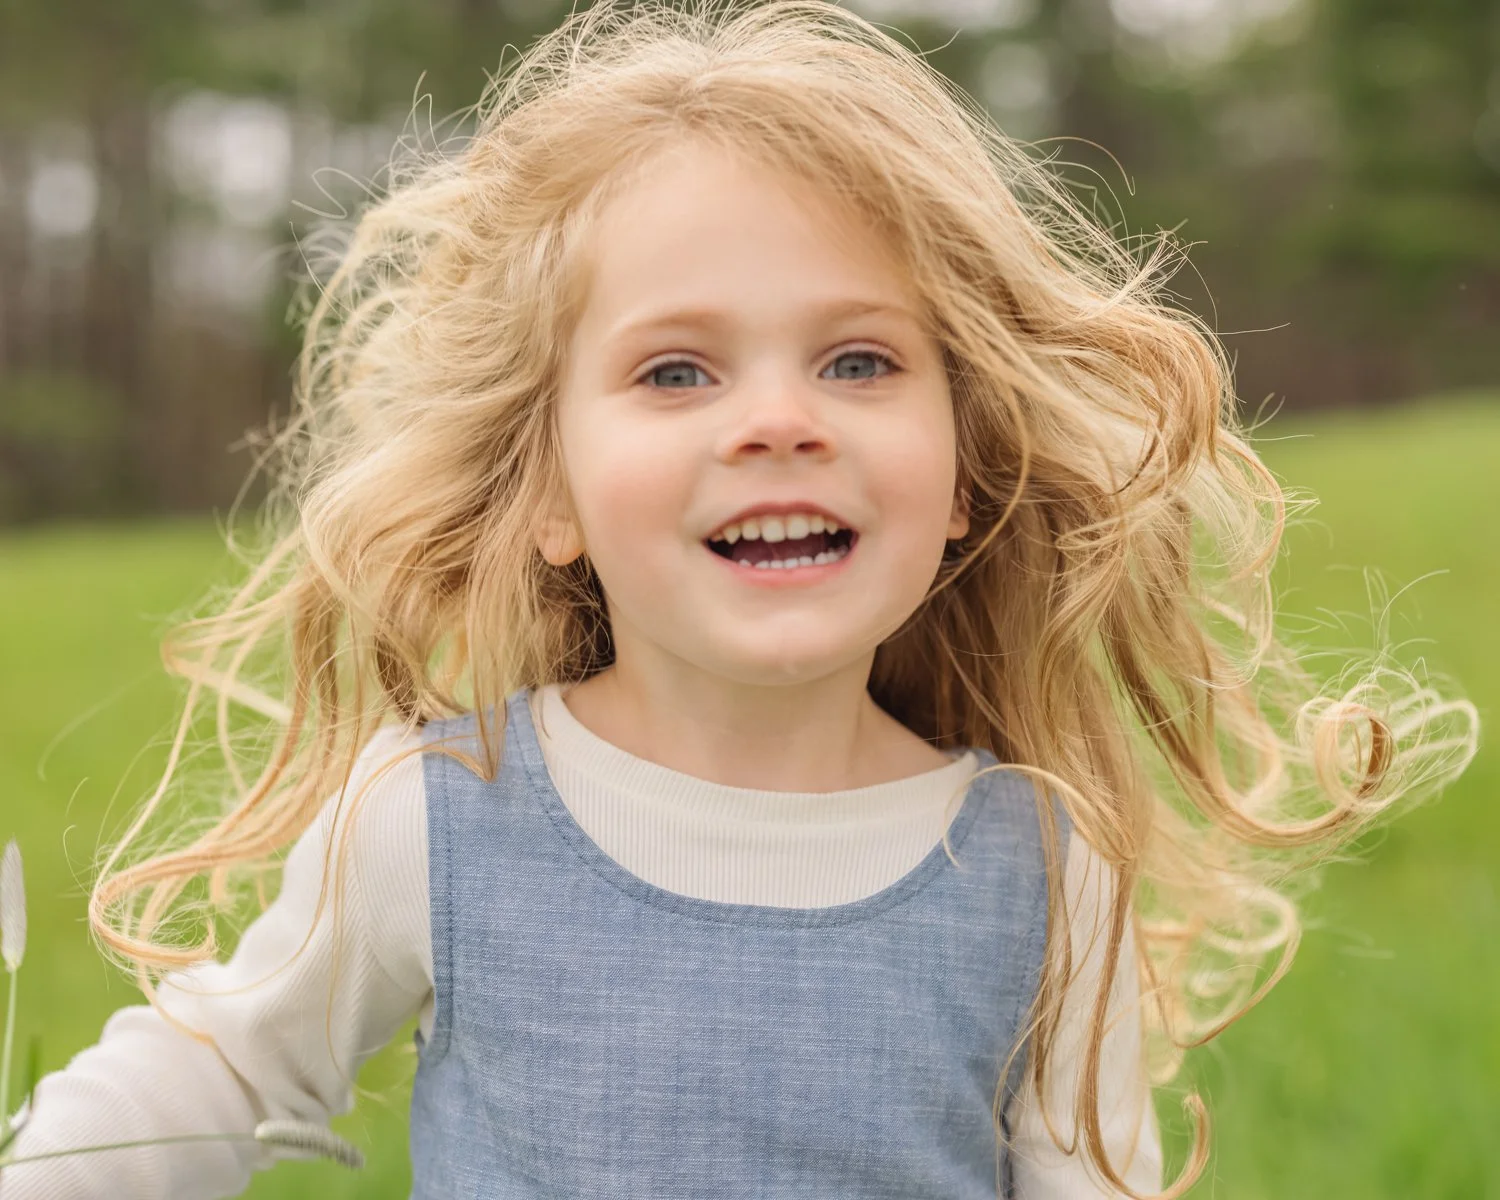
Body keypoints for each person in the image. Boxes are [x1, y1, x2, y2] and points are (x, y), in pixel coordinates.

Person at [0, 2, 1474, 1197]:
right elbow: (216, 1074)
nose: (779, 420)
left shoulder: (1037, 865)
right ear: (550, 495)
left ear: (965, 472)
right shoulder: (444, 814)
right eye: (676, 372)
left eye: (858, 362)